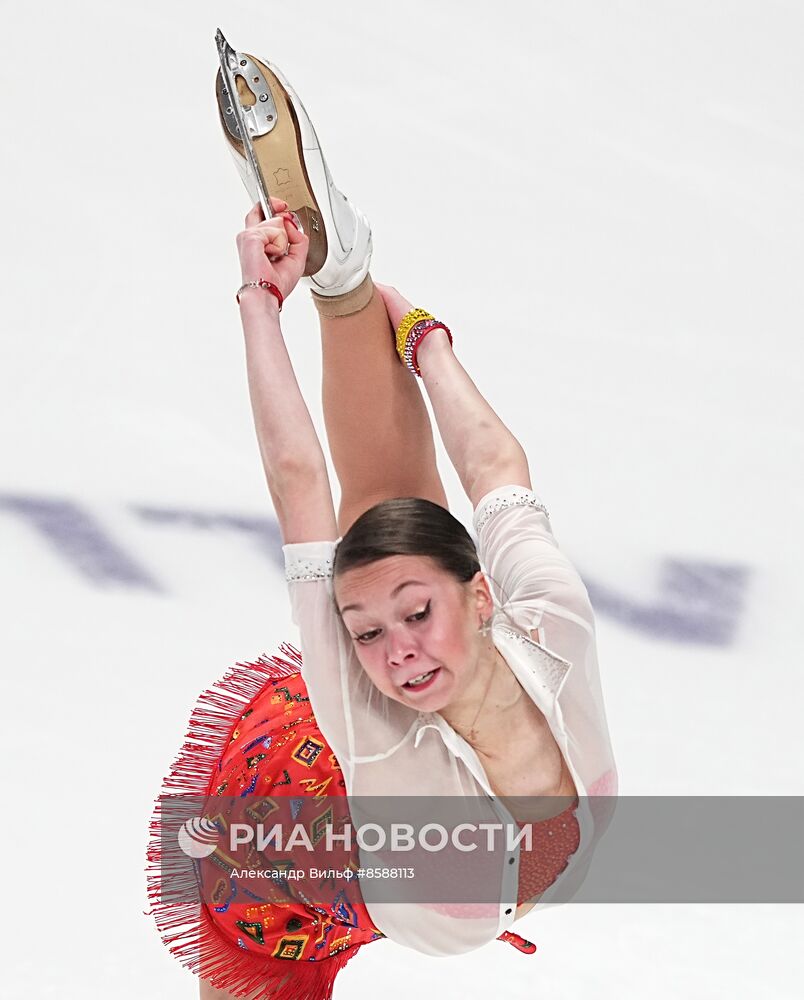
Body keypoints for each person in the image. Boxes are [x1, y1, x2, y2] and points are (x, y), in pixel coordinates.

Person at [147, 41, 618, 1000]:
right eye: (365, 634)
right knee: (379, 556)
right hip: (294, 843)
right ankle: (338, 277)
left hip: (448, 834)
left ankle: (347, 275)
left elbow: (496, 468)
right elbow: (296, 483)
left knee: (401, 531)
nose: (394, 651)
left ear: (489, 596)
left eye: (417, 619)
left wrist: (426, 342)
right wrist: (253, 304)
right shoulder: (374, 730)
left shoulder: (550, 619)